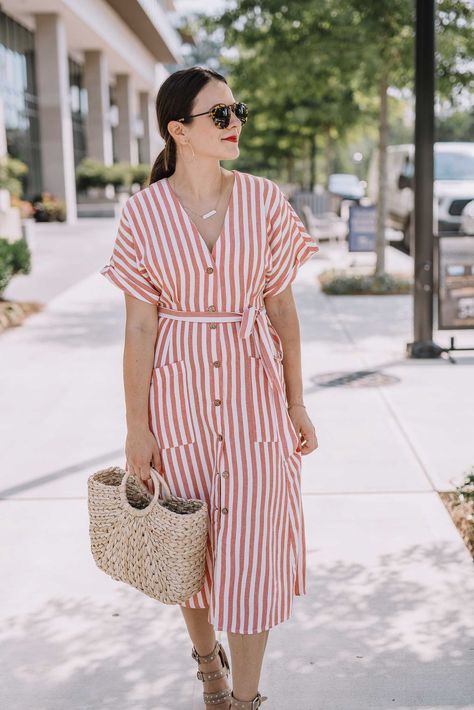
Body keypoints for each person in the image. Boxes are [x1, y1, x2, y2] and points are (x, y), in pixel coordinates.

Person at [100, 65, 319, 710]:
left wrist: (296, 400)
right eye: (219, 115)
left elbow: (282, 310)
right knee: (187, 542)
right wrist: (138, 427)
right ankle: (208, 668)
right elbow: (140, 327)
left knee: (252, 550)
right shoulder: (143, 213)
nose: (234, 124)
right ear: (179, 130)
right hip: (177, 399)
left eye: (237, 111)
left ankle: (244, 700)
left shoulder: (264, 199)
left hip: (255, 397)